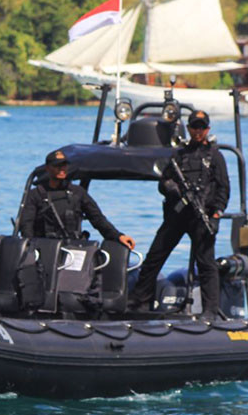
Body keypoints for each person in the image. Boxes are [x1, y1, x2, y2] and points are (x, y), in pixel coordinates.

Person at [128, 109, 230, 318]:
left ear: (208, 129)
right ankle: (139, 302)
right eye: (194, 127)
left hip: (203, 217)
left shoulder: (215, 157)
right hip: (177, 216)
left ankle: (210, 309)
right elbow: (163, 183)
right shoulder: (179, 156)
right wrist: (171, 187)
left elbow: (223, 189)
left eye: (202, 127)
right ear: (190, 128)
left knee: (206, 263)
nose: (198, 131)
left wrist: (216, 214)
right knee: (155, 257)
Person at [19, 149, 136, 251]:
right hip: (45, 249)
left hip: (74, 248)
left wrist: (118, 236)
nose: (62, 169)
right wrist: (31, 249)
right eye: (57, 165)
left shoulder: (78, 192)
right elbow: (26, 226)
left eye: (64, 165)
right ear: (48, 168)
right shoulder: (35, 195)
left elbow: (97, 218)